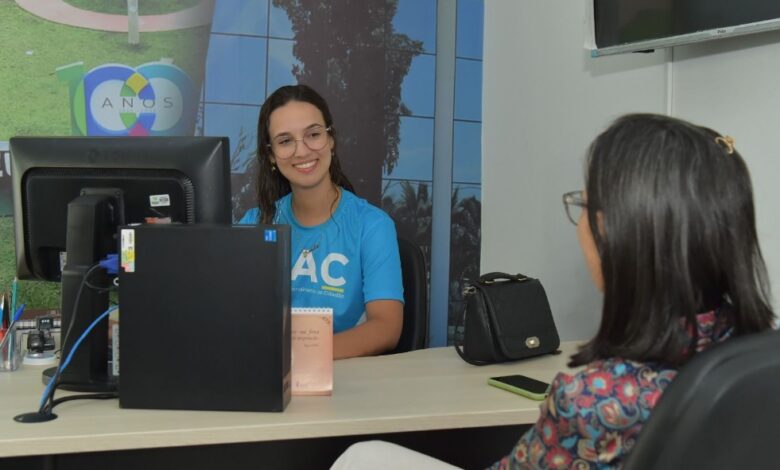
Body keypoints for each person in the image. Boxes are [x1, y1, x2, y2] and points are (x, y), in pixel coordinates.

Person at [331, 113, 775, 468]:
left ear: (614, 231)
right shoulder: (755, 350)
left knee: (362, 458)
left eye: (584, 204)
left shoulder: (592, 399)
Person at [239, 84, 404, 359]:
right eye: (285, 141)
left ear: (331, 139)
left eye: (313, 135)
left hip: (343, 377)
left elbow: (386, 328)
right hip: (263, 373)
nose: (302, 151)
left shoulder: (372, 226)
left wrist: (300, 356)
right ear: (270, 155)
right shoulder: (253, 225)